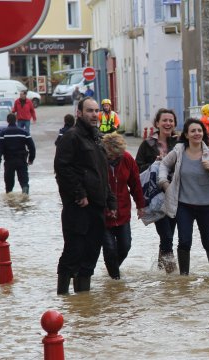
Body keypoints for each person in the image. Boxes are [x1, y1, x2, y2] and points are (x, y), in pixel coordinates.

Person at [54, 97, 117, 295]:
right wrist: (79, 193)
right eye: (89, 110)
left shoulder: (96, 138)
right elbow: (62, 168)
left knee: (91, 255)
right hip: (78, 207)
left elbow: (102, 173)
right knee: (74, 253)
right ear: (79, 113)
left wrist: (111, 200)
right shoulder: (71, 137)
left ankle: (83, 302)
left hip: (97, 206)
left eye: (96, 110)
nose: (94, 114)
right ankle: (63, 297)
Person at [158, 119, 209, 276]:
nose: (197, 133)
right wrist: (164, 183)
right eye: (193, 131)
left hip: (207, 206)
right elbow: (164, 165)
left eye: (199, 130)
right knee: (184, 241)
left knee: (208, 241)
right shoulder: (179, 151)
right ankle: (184, 277)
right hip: (184, 205)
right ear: (186, 135)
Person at [135, 108, 179, 273]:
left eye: (171, 121)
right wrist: (155, 163)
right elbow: (137, 169)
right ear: (157, 123)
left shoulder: (180, 143)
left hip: (176, 195)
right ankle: (172, 273)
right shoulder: (148, 144)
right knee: (166, 236)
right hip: (155, 197)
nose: (168, 123)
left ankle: (161, 270)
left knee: (169, 236)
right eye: (165, 120)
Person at [101, 133, 145, 280]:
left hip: (123, 211)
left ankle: (112, 271)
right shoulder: (99, 159)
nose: (113, 158)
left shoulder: (127, 159)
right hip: (103, 213)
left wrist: (140, 205)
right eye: (110, 155)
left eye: (116, 155)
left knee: (125, 246)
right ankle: (115, 281)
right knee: (109, 248)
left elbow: (135, 183)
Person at [0, 113, 36, 194]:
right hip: (21, 160)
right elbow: (32, 147)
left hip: (9, 161)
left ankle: (9, 200)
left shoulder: (3, 133)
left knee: (9, 183)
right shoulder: (24, 132)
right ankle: (25, 197)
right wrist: (31, 159)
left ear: (7, 121)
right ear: (16, 120)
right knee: (24, 181)